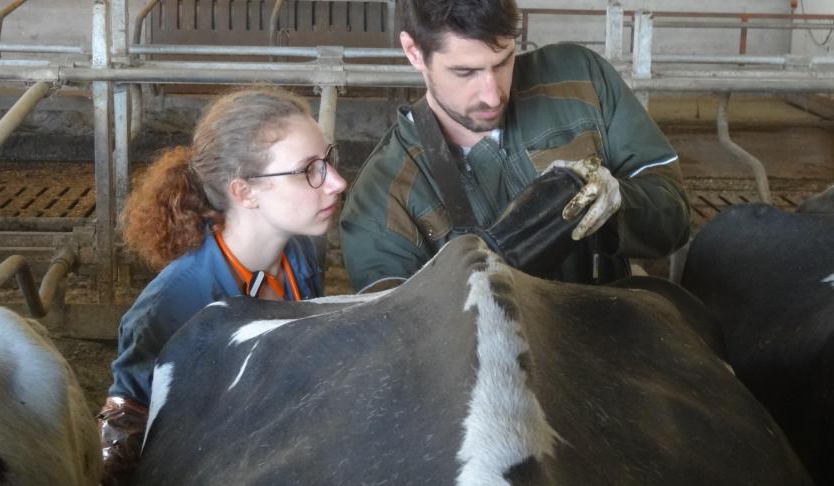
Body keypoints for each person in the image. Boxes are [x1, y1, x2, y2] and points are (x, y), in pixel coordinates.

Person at [340, 0, 691, 292]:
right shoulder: (383, 197)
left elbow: (674, 217)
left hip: (609, 331)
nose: (493, 95)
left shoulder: (581, 80)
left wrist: (621, 205)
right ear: (414, 52)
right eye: (465, 72)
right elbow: (397, 334)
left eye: (503, 60)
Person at [96, 87, 347, 484]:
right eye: (308, 170)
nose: (337, 181)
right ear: (244, 192)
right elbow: (124, 437)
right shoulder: (170, 304)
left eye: (329, 160)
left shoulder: (303, 252)